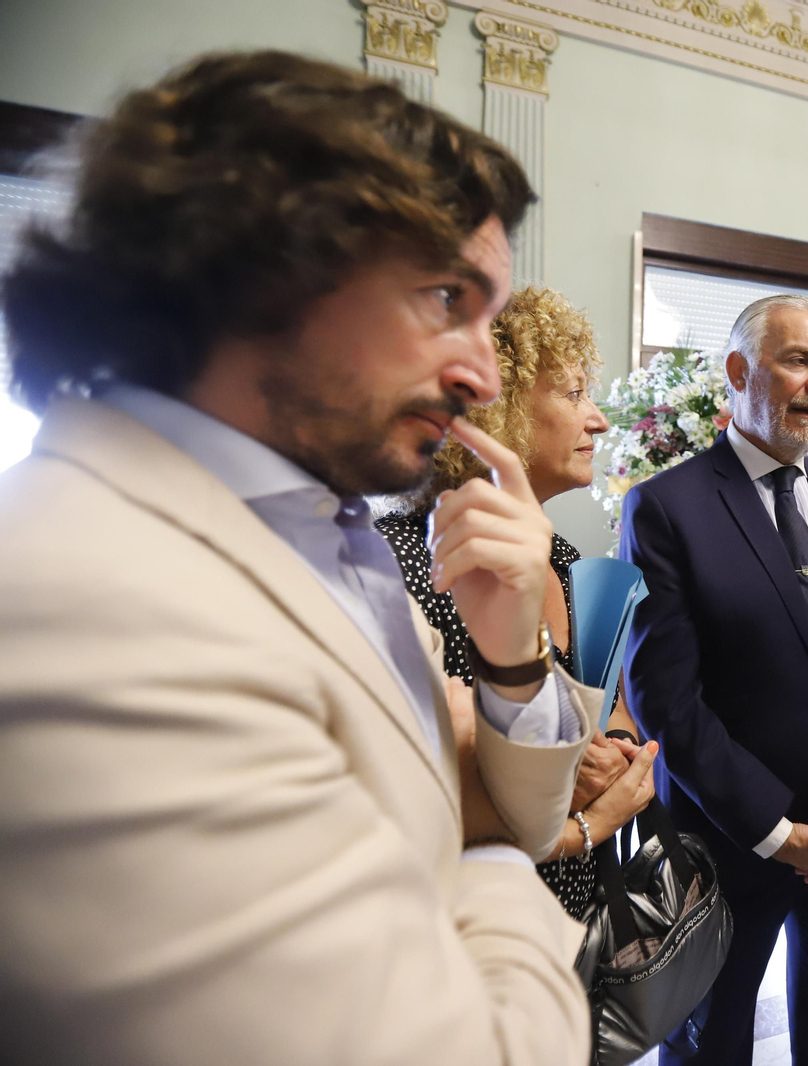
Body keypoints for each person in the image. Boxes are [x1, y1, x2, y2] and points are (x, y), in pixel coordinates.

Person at [0, 52, 655, 1066]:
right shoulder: (87, 608)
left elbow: (485, 795)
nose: (484, 372)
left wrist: (510, 668)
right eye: (447, 297)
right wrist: (488, 847)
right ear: (260, 267)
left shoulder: (318, 523)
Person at [619, 294, 808, 1065]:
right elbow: (666, 698)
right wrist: (777, 833)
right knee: (709, 1039)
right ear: (737, 372)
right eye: (799, 360)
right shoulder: (666, 507)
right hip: (725, 841)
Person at [377, 285, 651, 921]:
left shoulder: (555, 553)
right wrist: (589, 821)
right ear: (495, 409)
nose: (599, 419)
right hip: (479, 924)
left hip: (574, 914)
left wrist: (612, 742)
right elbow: (420, 803)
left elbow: (607, 699)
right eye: (574, 392)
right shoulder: (406, 562)